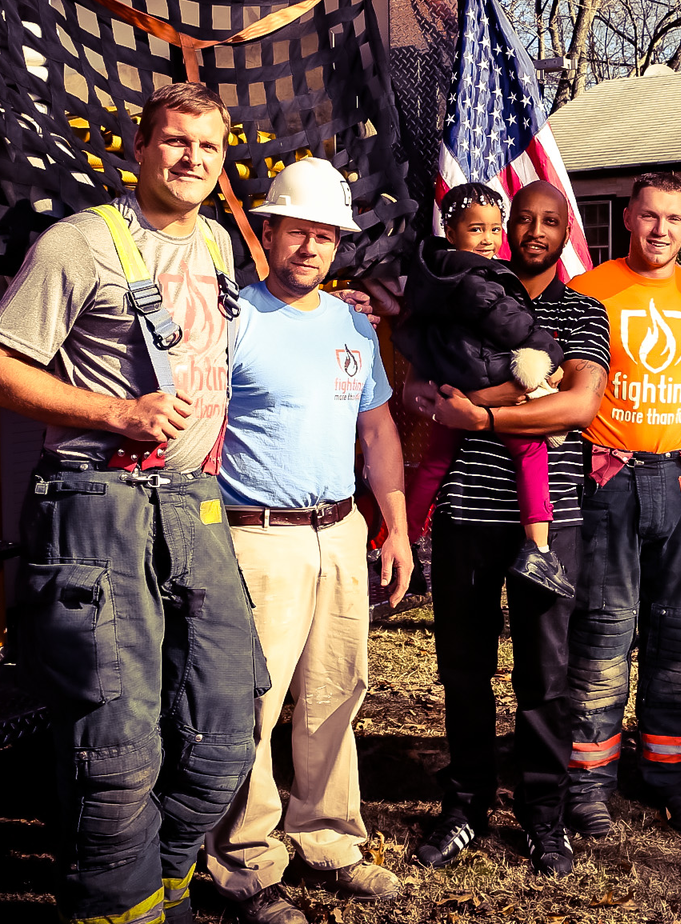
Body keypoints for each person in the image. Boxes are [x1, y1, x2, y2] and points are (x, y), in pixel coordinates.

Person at [0, 81, 265, 924]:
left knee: (223, 728)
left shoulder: (217, 242)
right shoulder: (80, 243)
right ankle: (115, 906)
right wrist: (116, 413)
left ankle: (164, 889)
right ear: (139, 149)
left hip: (192, 503)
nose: (191, 158)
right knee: (117, 746)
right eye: (174, 140)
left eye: (208, 146)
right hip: (98, 506)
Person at [203, 157, 414, 920]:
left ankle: (328, 837)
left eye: (325, 236)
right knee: (251, 705)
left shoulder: (353, 325)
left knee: (335, 694)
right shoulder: (234, 319)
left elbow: (377, 430)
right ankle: (245, 862)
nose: (311, 247)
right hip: (258, 537)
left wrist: (395, 527)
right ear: (268, 233)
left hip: (341, 530)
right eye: (297, 231)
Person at [402, 182, 609, 876]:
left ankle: (544, 814)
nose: (534, 231)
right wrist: (449, 401)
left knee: (545, 676)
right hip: (466, 511)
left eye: (550, 221)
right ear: (505, 227)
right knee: (464, 670)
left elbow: (577, 405)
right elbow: (421, 388)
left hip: (549, 522)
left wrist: (480, 415)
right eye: (523, 219)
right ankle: (465, 805)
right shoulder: (459, 293)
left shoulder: (581, 312)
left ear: (566, 230)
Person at [565, 172, 681, 834]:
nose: (661, 229)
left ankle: (672, 772)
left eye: (675, 218)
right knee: (604, 629)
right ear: (629, 218)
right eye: (650, 216)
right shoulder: (588, 290)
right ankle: (588, 780)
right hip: (608, 479)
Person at [399, 183, 573, 598]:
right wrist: (552, 353)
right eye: (476, 229)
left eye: (495, 229)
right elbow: (508, 322)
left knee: (435, 462)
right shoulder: (473, 276)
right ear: (450, 231)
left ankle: (403, 538)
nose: (489, 239)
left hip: (452, 374)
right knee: (530, 449)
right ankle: (539, 549)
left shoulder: (432, 271)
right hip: (485, 372)